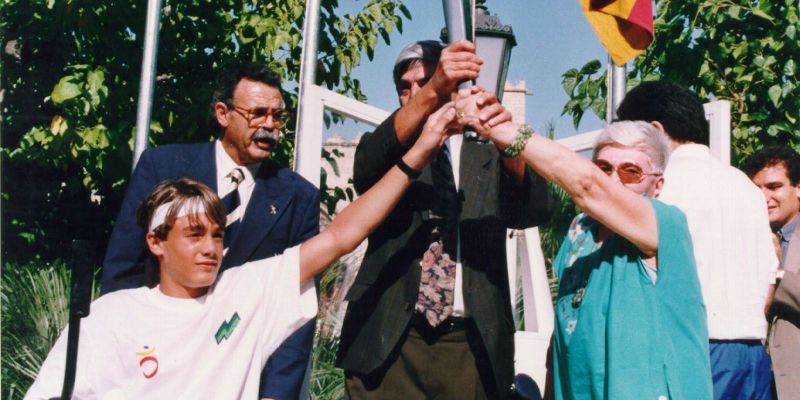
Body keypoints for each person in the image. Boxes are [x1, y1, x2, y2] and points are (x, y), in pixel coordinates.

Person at [25, 101, 460, 399]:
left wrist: (417, 156)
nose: (211, 248)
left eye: (217, 235)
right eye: (194, 235)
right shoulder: (111, 318)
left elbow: (340, 236)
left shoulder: (246, 292)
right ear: (156, 242)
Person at [336, 40, 553, 399]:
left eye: (426, 83)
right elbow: (365, 170)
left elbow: (535, 210)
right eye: (405, 89)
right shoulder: (389, 151)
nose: (414, 94)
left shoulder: (487, 150)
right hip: (389, 344)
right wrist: (433, 90)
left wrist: (507, 142)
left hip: (470, 346)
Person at [101, 62, 319, 399]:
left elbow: (297, 307)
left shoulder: (298, 197)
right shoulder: (163, 167)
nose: (270, 126)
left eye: (278, 117)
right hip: (157, 368)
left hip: (241, 377)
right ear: (223, 113)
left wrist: (276, 394)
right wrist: (127, 362)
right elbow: (123, 271)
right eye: (258, 113)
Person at [466, 109, 712, 398]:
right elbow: (564, 333)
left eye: (630, 172)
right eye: (603, 168)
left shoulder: (663, 223)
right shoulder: (580, 231)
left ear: (657, 186)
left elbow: (588, 186)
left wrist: (505, 131)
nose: (613, 181)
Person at [616, 81, 778, 400]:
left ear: (654, 129)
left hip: (692, 354)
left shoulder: (663, 188)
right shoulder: (744, 186)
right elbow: (768, 280)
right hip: (752, 356)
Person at [742, 146, 800, 399]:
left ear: (798, 188)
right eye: (756, 189)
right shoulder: (746, 239)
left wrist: (776, 271)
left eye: (774, 187)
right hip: (756, 380)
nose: (763, 197)